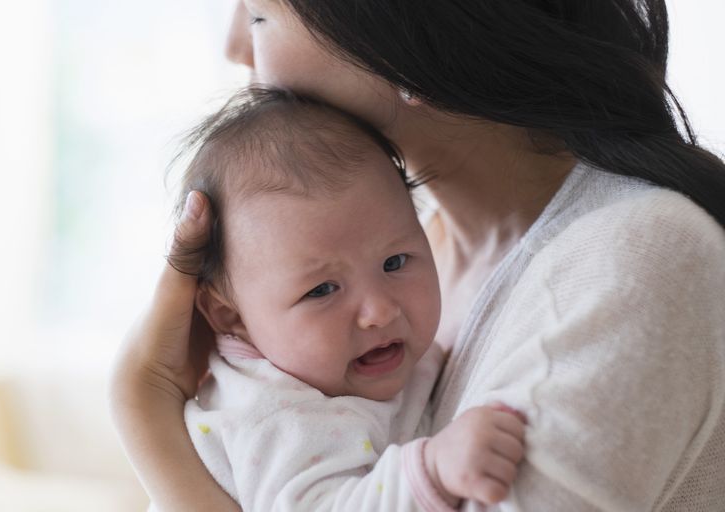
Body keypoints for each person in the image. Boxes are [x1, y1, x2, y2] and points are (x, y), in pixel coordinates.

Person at [110, 1, 725, 510]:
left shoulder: (627, 260)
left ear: (405, 36)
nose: (234, 46)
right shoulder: (412, 253)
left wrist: (146, 410)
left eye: (262, 15)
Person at [161, 86, 525, 511]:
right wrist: (432, 470)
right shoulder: (276, 414)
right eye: (321, 291)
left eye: (395, 262)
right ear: (231, 317)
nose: (380, 311)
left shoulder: (336, 364)